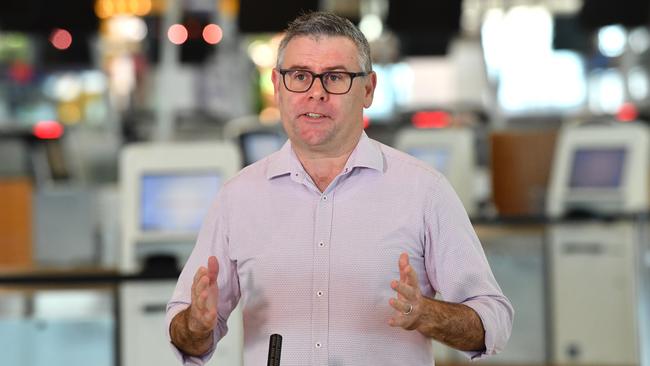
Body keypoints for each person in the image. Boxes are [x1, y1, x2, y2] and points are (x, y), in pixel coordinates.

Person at [166, 11, 513, 366]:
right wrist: (195, 325)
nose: (316, 93)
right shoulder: (238, 197)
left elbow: (493, 321)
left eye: (335, 77)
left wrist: (426, 314)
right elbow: (184, 332)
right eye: (300, 76)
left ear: (368, 90)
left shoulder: (424, 191)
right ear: (278, 85)